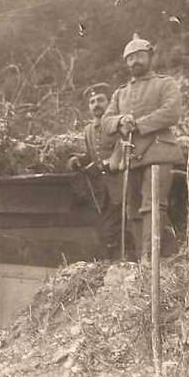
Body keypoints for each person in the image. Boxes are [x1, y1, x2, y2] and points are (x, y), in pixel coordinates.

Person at [101, 34, 184, 262]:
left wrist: (138, 124)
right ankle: (142, 260)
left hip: (159, 152)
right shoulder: (120, 93)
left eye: (139, 56)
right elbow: (105, 122)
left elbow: (171, 112)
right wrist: (119, 121)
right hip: (130, 156)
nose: (134, 62)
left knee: (154, 205)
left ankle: (155, 259)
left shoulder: (165, 83)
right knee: (133, 208)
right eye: (129, 58)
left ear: (150, 57)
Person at [66, 83, 126, 259]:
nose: (96, 105)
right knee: (103, 230)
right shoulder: (88, 130)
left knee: (115, 229)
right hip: (102, 190)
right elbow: (93, 155)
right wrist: (78, 159)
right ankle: (110, 265)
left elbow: (125, 148)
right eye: (92, 102)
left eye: (100, 100)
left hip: (123, 185)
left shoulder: (118, 125)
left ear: (109, 102)